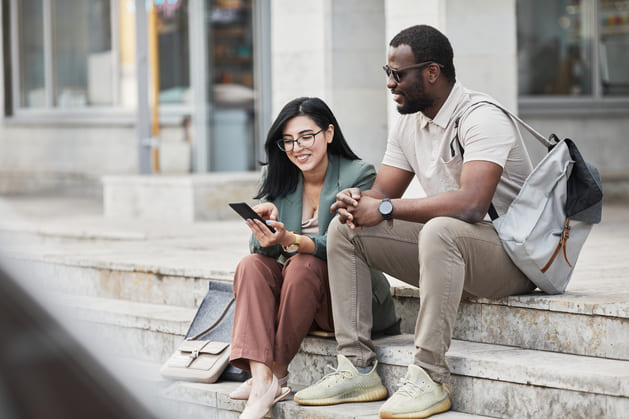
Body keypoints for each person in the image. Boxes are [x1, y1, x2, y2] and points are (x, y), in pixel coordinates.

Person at [294, 25, 537, 418]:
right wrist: (359, 200)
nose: (390, 83)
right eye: (386, 72)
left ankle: (428, 375)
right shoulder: (409, 121)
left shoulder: (482, 117)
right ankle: (355, 366)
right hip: (453, 253)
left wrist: (386, 209)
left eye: (398, 74)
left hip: (512, 258)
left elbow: (473, 205)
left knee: (442, 229)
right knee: (344, 229)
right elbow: (383, 193)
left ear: (431, 72)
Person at [229, 97, 399, 419]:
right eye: (289, 141)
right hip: (299, 298)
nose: (297, 148)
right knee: (250, 266)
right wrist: (264, 230)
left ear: (329, 133)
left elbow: (347, 240)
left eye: (307, 136)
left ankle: (274, 373)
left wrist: (293, 239)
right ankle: (265, 377)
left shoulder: (358, 174)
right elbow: (261, 251)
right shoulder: (282, 179)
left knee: (305, 262)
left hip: (347, 300)